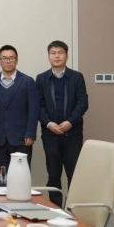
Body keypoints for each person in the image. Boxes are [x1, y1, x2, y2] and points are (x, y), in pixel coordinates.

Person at [36, 40, 89, 207]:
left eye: (60, 52)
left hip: (72, 134)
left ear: (67, 56)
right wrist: (49, 124)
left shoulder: (76, 77)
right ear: (48, 56)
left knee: (74, 174)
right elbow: (38, 105)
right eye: (53, 53)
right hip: (50, 134)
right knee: (53, 175)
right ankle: (56, 208)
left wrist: (70, 122)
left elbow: (82, 103)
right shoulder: (42, 78)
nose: (57, 56)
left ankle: (73, 208)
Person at [0, 45, 39, 171]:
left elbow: (33, 110)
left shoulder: (27, 81)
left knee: (21, 173)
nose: (8, 61)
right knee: (2, 173)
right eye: (4, 58)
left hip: (22, 138)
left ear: (17, 60)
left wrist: (30, 133)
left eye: (11, 58)